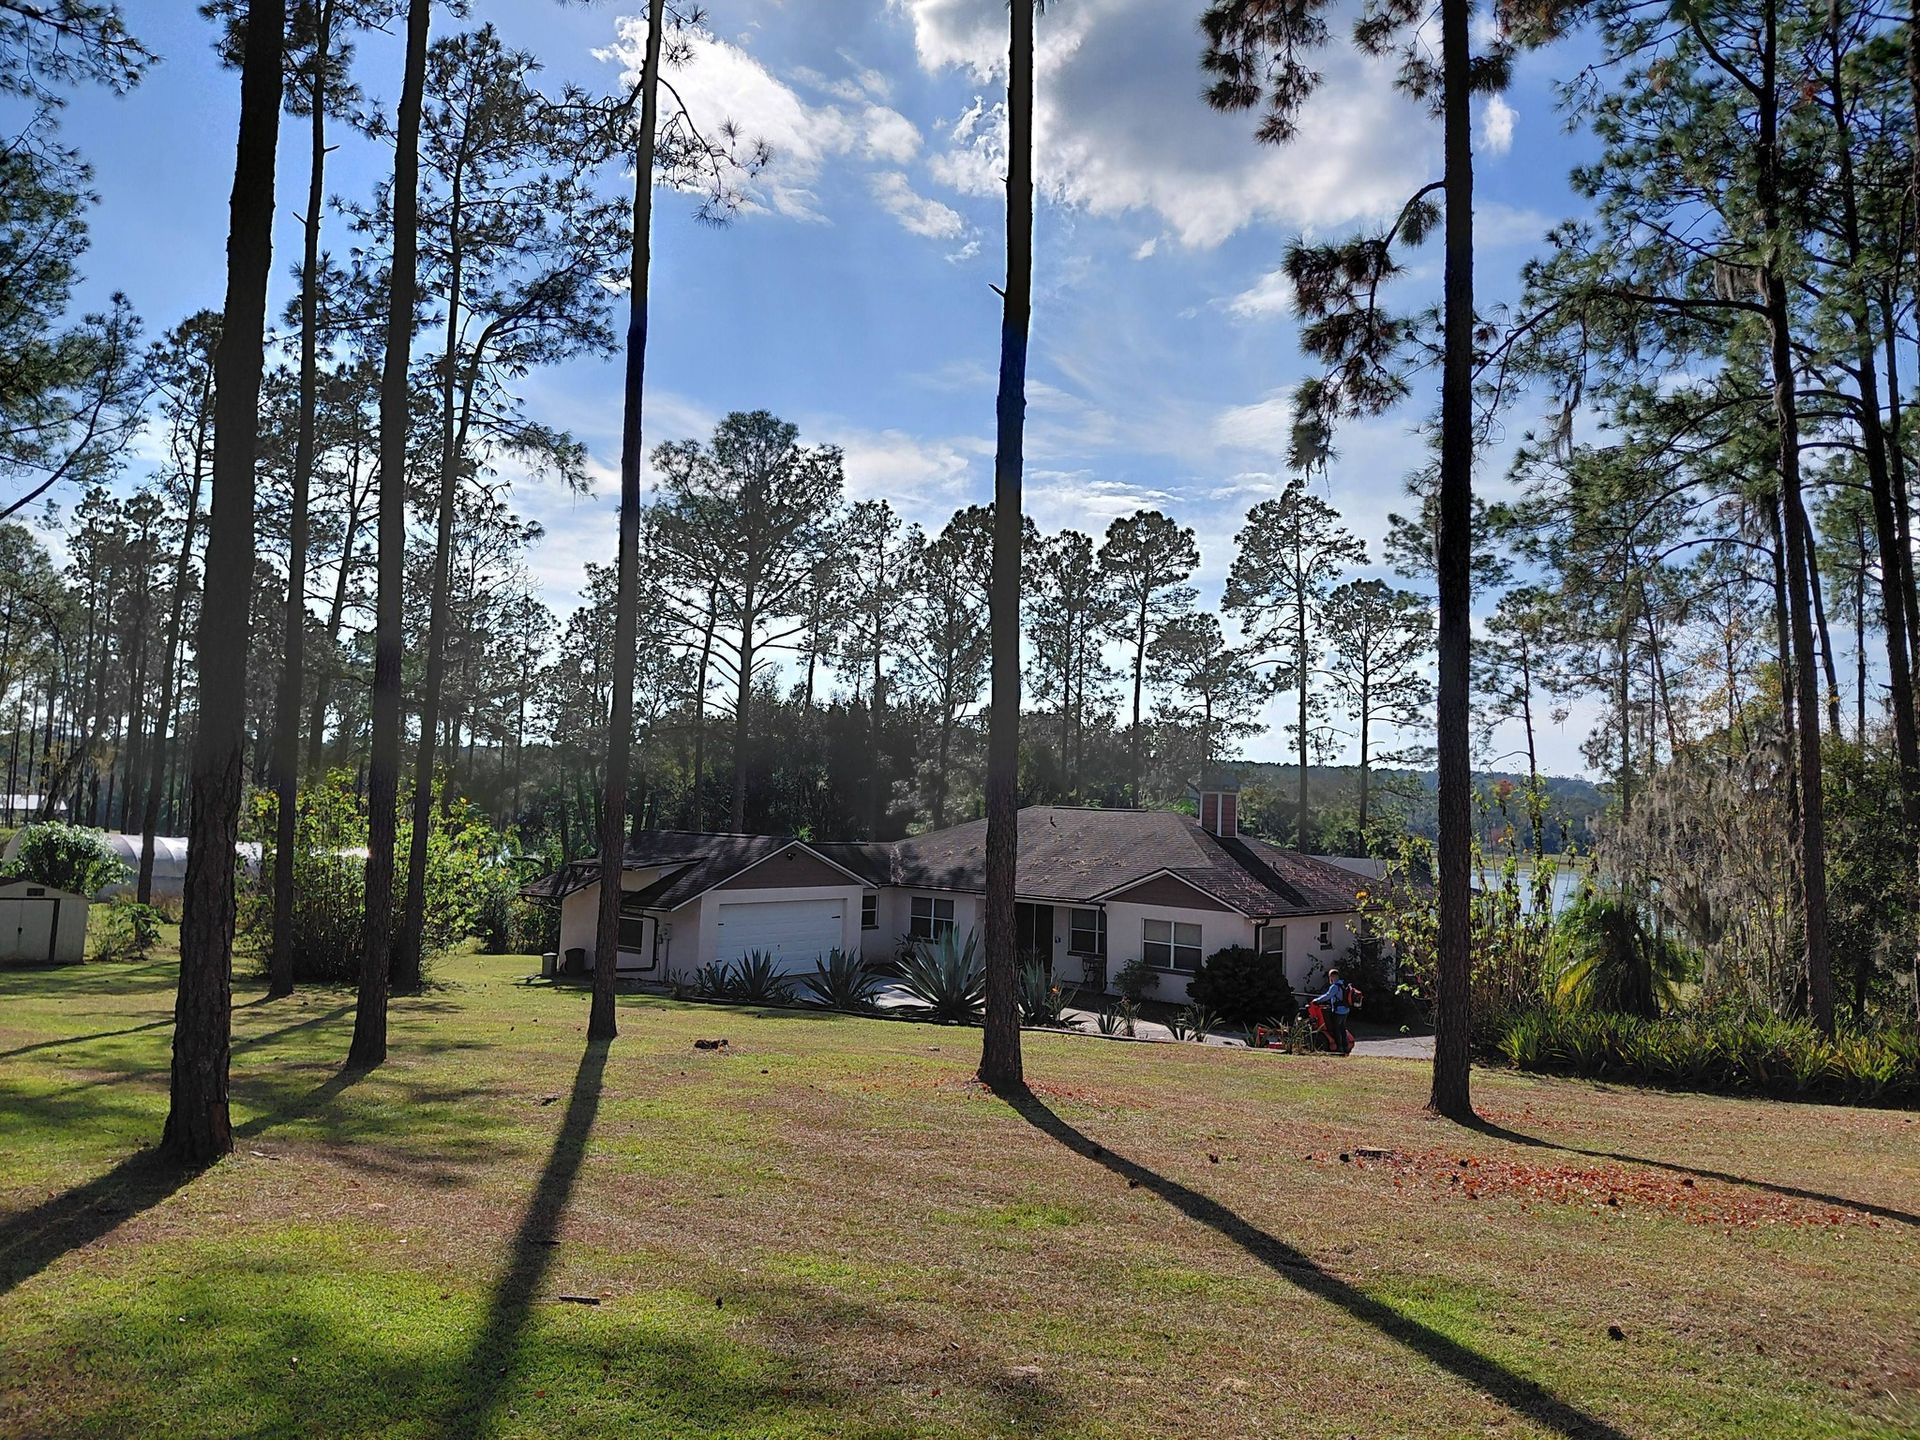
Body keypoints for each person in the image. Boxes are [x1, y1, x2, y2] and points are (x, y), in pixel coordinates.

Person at [1310, 968, 1355, 1055]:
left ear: (1333, 976)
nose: (1329, 979)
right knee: (1342, 1028)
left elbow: (1327, 996)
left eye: (1330, 977)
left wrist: (1316, 1000)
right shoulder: (1343, 984)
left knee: (1336, 1029)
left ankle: (1339, 1048)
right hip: (1345, 1010)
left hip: (1338, 1011)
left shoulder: (1334, 987)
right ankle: (1345, 1046)